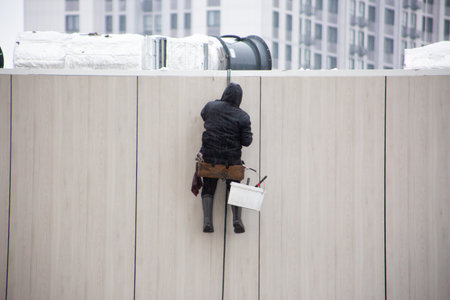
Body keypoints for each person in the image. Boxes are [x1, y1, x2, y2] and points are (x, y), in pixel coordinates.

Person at [199, 82, 253, 233]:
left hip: (210, 159)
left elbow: (203, 115)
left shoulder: (210, 107)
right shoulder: (243, 116)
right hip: (231, 161)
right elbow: (247, 142)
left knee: (208, 186)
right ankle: (237, 219)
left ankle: (207, 221)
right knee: (235, 187)